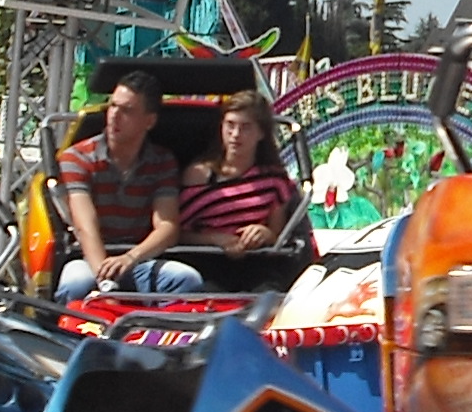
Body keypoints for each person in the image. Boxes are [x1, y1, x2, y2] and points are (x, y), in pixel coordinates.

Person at [54, 72, 203, 299]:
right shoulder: (77, 158)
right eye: (113, 106)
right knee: (77, 283)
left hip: (137, 258)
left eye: (127, 110)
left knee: (187, 278)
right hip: (88, 257)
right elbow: (86, 226)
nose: (115, 115)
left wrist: (130, 258)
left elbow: (167, 227)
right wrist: (105, 281)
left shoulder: (162, 161)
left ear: (149, 121)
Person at [179, 89, 299, 253]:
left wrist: (266, 234)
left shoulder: (274, 180)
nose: (235, 134)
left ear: (261, 133)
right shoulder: (198, 175)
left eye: (246, 127)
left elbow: (279, 237)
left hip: (256, 261)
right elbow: (177, 233)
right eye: (230, 125)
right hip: (204, 259)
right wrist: (215, 240)